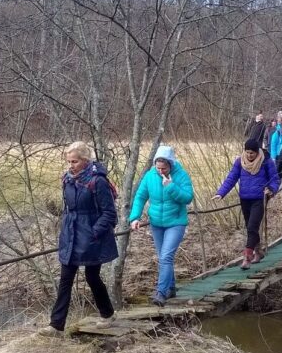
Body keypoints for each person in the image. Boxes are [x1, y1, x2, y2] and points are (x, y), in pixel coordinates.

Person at [40, 142, 118, 336]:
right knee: (65, 279)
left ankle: (107, 314)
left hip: (92, 238)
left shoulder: (98, 181)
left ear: (85, 161)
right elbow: (68, 208)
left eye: (74, 161)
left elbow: (109, 213)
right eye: (68, 161)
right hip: (71, 235)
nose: (70, 165)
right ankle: (56, 326)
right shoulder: (67, 179)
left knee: (92, 277)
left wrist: (94, 233)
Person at [130, 145, 194, 306]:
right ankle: (171, 288)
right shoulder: (150, 176)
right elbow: (140, 197)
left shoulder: (181, 175)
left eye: (163, 168)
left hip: (176, 222)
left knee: (166, 257)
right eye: (157, 168)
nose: (160, 171)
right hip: (156, 223)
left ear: (170, 164)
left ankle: (160, 293)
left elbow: (187, 198)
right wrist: (135, 217)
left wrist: (170, 186)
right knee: (164, 257)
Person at [213, 139, 280, 269]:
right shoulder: (240, 162)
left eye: (252, 153)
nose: (249, 155)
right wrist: (221, 193)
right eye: (247, 152)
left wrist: (271, 189)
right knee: (250, 227)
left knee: (252, 227)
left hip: (260, 198)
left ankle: (247, 257)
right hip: (245, 199)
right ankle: (258, 251)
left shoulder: (266, 161)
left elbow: (275, 179)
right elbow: (231, 178)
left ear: (257, 152)